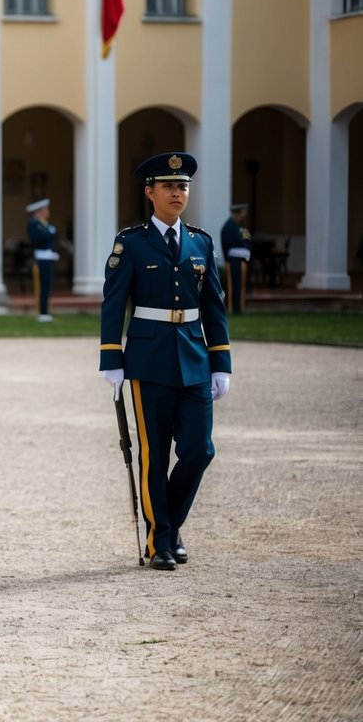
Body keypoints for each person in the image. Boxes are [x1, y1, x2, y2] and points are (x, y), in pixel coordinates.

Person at [98, 152, 232, 572]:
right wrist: (111, 357)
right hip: (148, 359)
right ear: (150, 192)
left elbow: (214, 305)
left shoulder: (201, 242)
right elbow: (113, 303)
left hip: (194, 357)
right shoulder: (131, 243)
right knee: (154, 454)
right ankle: (160, 542)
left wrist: (221, 361)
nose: (178, 192)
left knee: (199, 449)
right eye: (169, 186)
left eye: (183, 186)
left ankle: (169, 527)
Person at [26, 199, 59, 322]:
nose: (47, 212)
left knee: (47, 285)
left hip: (48, 257)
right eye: (45, 210)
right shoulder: (34, 224)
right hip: (41, 258)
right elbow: (40, 238)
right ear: (38, 212)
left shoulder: (45, 224)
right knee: (42, 286)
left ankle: (46, 310)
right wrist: (50, 233)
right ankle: (42, 312)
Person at [220, 203, 251, 314]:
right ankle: (233, 308)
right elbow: (228, 245)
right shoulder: (229, 227)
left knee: (239, 285)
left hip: (240, 260)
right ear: (235, 214)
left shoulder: (239, 226)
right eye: (240, 214)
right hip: (233, 261)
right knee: (233, 285)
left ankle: (238, 307)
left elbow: (246, 240)